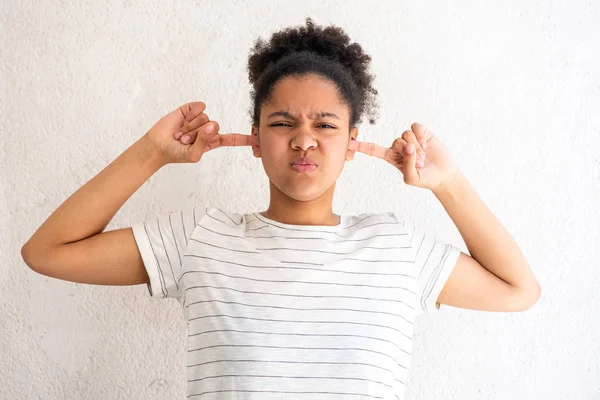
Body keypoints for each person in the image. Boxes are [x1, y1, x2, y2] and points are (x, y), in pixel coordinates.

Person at [21, 17, 541, 400]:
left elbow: (519, 290)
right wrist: (152, 154)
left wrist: (447, 183)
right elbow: (47, 251)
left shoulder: (394, 246)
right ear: (254, 138)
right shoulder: (203, 237)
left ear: (354, 142)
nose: (304, 141)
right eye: (282, 123)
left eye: (326, 125)